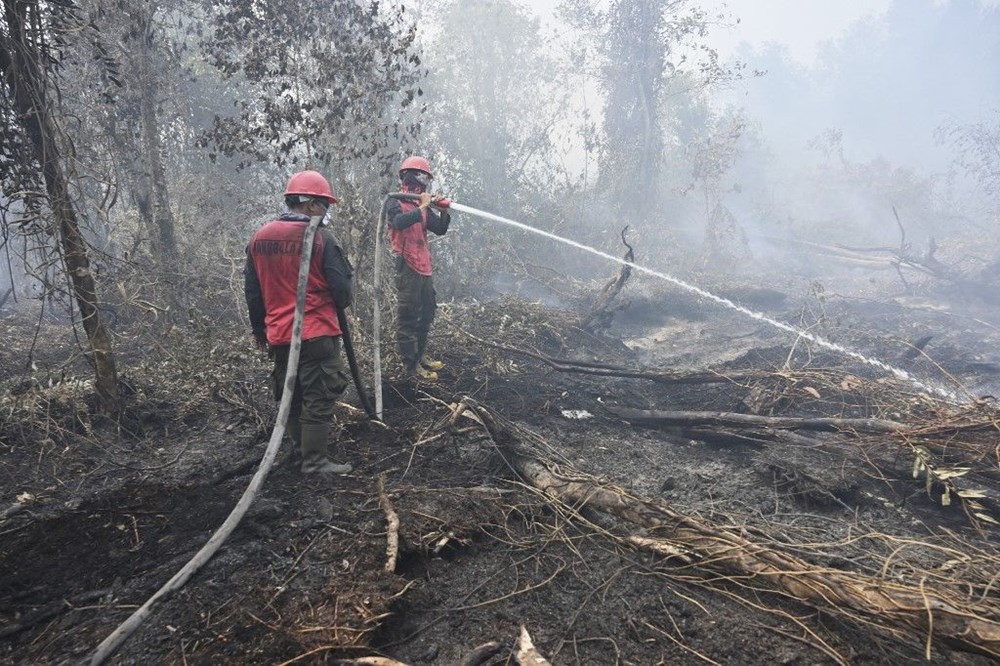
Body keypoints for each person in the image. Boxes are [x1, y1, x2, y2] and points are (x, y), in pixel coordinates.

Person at [245, 170, 354, 474]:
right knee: (319, 394)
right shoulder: (320, 238)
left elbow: (252, 290)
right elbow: (342, 293)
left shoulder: (259, 237)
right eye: (324, 205)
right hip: (317, 332)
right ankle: (315, 460)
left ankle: (297, 450)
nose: (326, 212)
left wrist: (259, 329)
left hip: (278, 334)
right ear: (311, 204)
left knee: (290, 395)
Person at [385, 156, 451, 381]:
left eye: (426, 177)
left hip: (424, 267)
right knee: (408, 317)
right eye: (421, 175)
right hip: (407, 266)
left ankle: (421, 356)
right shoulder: (395, 201)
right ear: (409, 176)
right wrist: (423, 205)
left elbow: (439, 229)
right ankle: (411, 368)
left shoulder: (419, 205)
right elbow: (399, 223)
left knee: (427, 312)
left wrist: (443, 210)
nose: (424, 180)